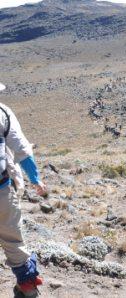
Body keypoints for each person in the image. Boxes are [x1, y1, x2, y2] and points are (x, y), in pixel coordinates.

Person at [0, 82, 48, 297]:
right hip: (1, 192)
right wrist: (35, 179)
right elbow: (21, 149)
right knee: (13, 241)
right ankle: (28, 288)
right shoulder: (3, 113)